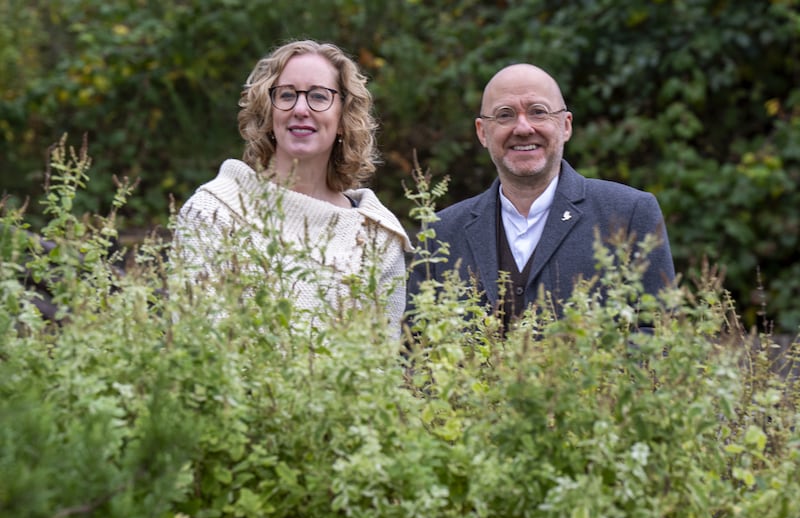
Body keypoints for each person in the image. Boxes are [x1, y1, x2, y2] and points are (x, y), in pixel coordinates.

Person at [407, 63, 675, 331]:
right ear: (482, 132)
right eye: (505, 115)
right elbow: (416, 348)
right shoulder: (440, 233)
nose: (523, 128)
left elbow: (657, 335)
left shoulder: (628, 214)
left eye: (538, 112)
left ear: (565, 125)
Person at [173, 40, 411, 333]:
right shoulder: (213, 212)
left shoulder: (377, 238)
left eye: (319, 96)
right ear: (268, 113)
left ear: (343, 118)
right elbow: (198, 342)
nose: (300, 108)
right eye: (286, 95)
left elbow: (380, 365)